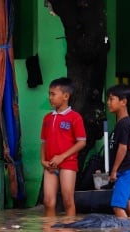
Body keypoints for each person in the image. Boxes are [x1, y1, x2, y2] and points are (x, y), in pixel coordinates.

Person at [40, 77, 87, 216]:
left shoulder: (75, 117)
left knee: (68, 201)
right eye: (49, 94)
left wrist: (62, 157)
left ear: (66, 96)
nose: (50, 97)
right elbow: (43, 142)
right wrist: (43, 160)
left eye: (53, 94)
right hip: (50, 165)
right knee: (48, 202)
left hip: (68, 164)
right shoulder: (47, 118)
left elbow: (82, 142)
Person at [106, 84, 130, 218]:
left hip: (126, 171)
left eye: (111, 99)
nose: (108, 103)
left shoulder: (123, 124)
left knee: (117, 207)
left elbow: (122, 148)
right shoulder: (127, 123)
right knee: (129, 205)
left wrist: (114, 170)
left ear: (123, 102)